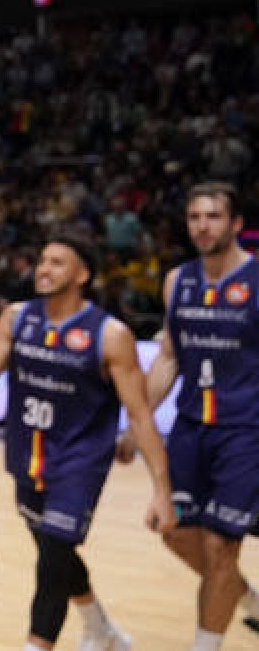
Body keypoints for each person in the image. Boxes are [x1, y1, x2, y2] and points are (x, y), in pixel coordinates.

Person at [0, 235, 175, 650]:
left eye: (57, 262)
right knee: (59, 554)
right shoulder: (17, 318)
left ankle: (38, 644)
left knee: (51, 561)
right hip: (26, 457)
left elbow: (140, 414)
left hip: (78, 465)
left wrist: (162, 490)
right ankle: (99, 628)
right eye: (42, 260)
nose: (44, 269)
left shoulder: (110, 335)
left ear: (82, 274)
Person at [137, 182, 259, 649]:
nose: (202, 226)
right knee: (172, 530)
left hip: (244, 431)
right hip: (190, 428)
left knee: (220, 544)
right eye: (194, 217)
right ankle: (247, 599)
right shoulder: (178, 281)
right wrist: (138, 420)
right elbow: (168, 356)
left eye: (212, 216)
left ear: (236, 224)